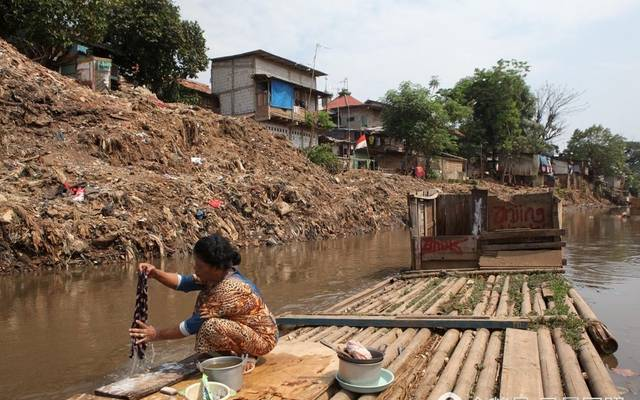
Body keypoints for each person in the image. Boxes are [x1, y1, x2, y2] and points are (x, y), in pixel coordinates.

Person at [129, 234, 278, 369]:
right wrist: (154, 273)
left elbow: (190, 326)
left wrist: (155, 334)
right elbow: (183, 282)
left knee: (210, 326)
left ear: (216, 267)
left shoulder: (229, 289)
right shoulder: (217, 275)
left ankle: (246, 355)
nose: (195, 268)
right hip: (244, 331)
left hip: (262, 340)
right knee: (208, 328)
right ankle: (234, 352)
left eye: (200, 266)